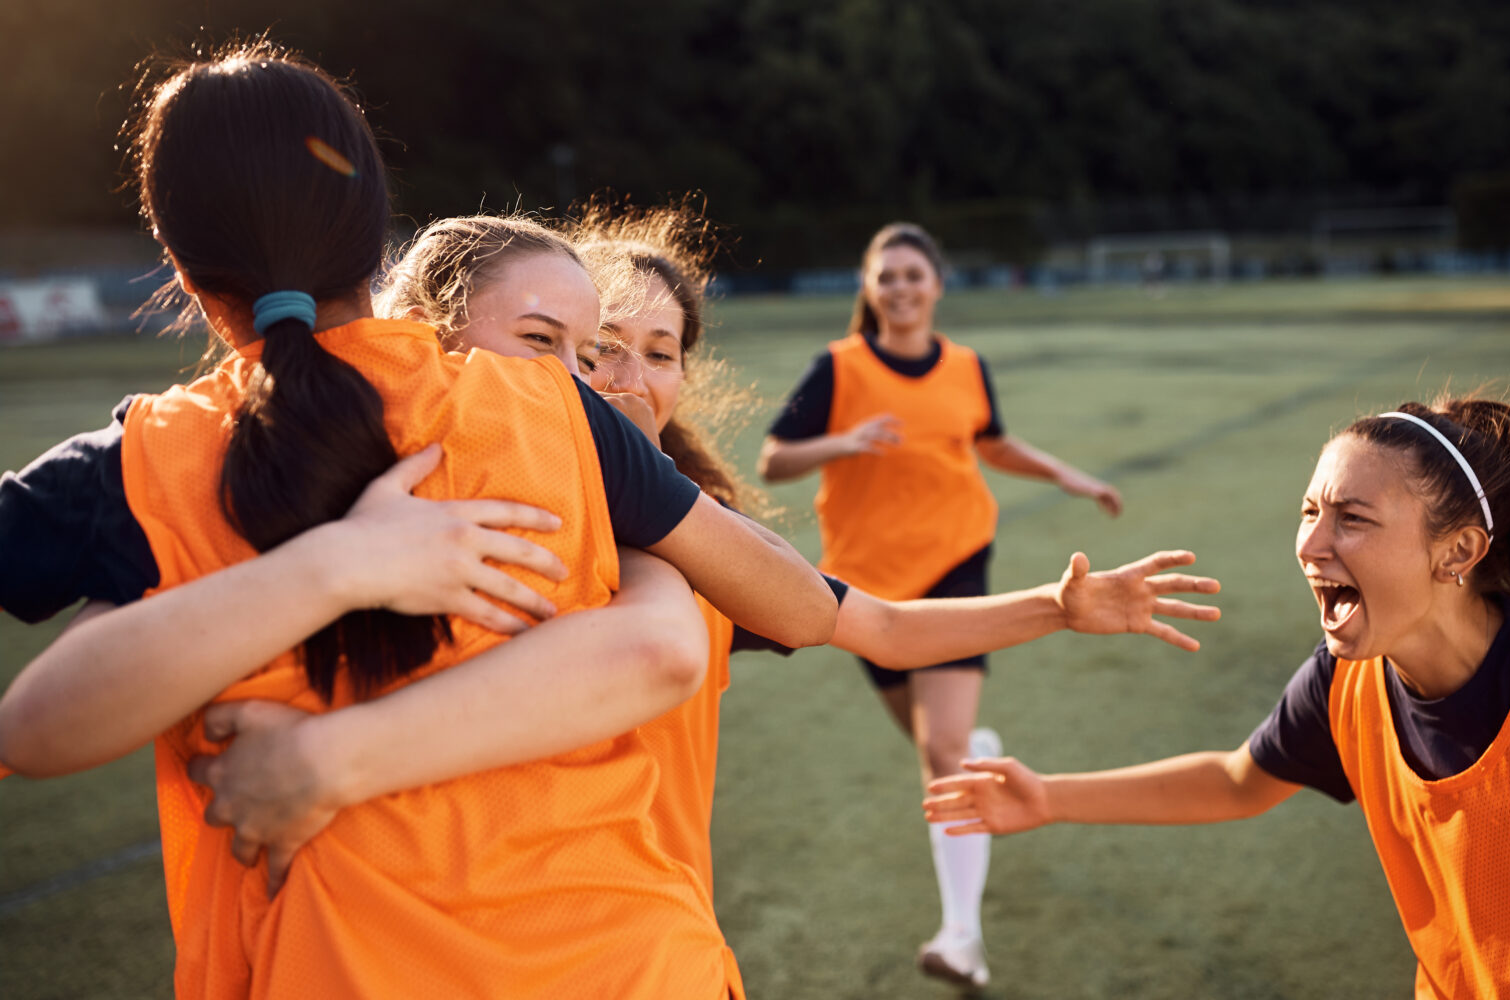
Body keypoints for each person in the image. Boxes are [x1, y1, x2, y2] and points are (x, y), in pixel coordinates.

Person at [181, 206, 1219, 994]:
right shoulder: (395, 500)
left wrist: (1058, 605)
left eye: (660, 351)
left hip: (640, 940)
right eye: (592, 350)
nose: (626, 376)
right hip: (406, 942)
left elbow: (877, 624)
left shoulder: (705, 546)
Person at [0, 44, 837, 1000]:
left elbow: (31, 729)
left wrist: (327, 570)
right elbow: (801, 611)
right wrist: (656, 572)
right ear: (377, 245)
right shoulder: (549, 412)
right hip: (632, 965)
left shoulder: (152, 462)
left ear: (186, 277)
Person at [924, 396, 1510, 998]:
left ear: (1459, 552)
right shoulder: (1347, 679)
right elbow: (1239, 781)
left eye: (1352, 518)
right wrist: (1048, 798)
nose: (1312, 547)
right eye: (1310, 511)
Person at [758, 221, 1123, 984]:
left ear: (937, 285)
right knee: (937, 745)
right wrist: (845, 441)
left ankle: (961, 936)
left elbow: (992, 442)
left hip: (955, 561)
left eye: (912, 275)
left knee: (938, 753)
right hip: (865, 583)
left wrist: (1067, 475)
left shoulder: (966, 366)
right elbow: (774, 458)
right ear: (869, 287)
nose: (900, 288)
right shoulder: (838, 367)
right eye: (885, 276)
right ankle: (978, 757)